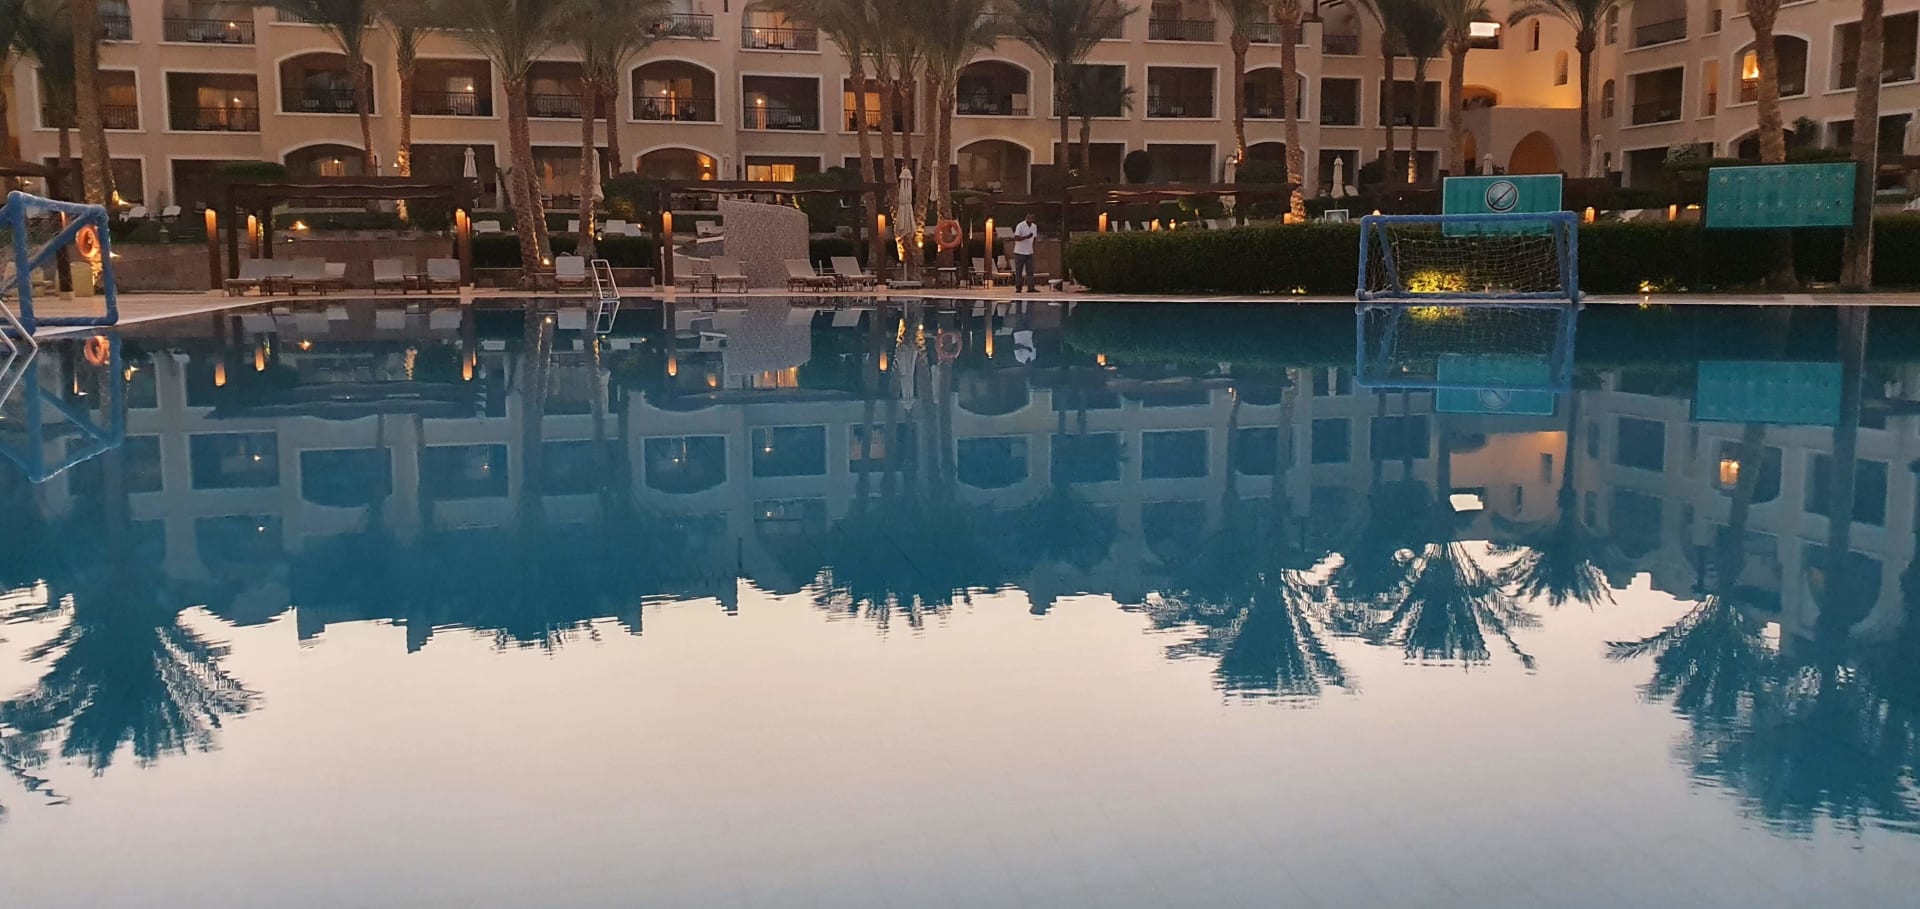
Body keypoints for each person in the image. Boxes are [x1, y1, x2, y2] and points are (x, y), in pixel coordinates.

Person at [1011, 213, 1039, 293]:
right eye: (1029, 217)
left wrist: (1033, 248)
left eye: (1032, 217)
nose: (1031, 219)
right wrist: (1026, 237)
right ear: (1026, 217)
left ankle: (1031, 288)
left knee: (1030, 271)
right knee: (1019, 271)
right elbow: (1016, 237)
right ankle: (1018, 288)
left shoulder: (1034, 226)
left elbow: (1034, 238)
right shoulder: (1020, 225)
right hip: (1019, 252)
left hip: (1029, 252)